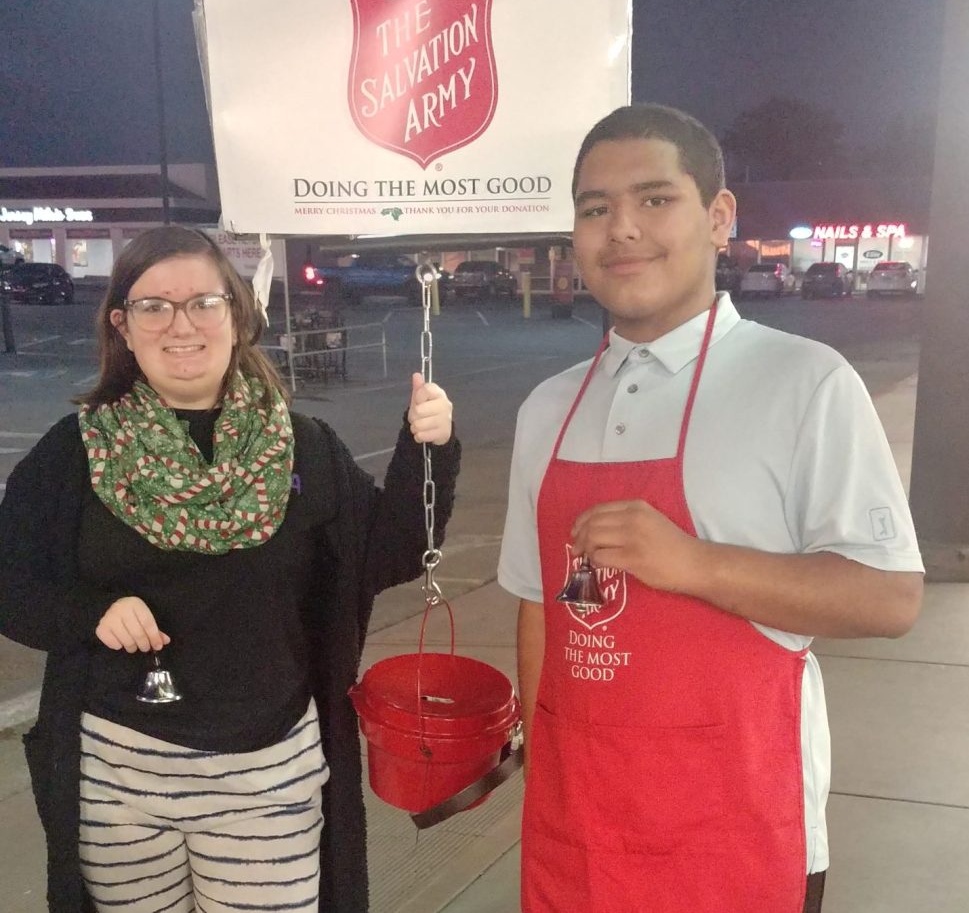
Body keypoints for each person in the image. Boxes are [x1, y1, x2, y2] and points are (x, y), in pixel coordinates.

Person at [498, 104, 923, 913]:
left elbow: (889, 596)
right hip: (579, 831)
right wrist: (542, 772)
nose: (620, 228)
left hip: (736, 830)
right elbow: (537, 607)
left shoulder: (802, 380)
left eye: (654, 199)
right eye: (594, 208)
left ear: (718, 217)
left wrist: (694, 563)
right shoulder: (547, 408)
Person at [0, 225, 459, 913]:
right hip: (119, 776)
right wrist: (87, 614)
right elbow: (11, 583)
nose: (180, 324)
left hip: (267, 770)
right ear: (122, 325)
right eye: (154, 305)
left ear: (237, 315)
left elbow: (389, 552)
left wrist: (429, 448)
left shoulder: (303, 447)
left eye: (203, 302)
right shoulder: (76, 453)